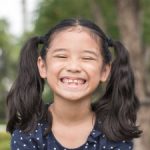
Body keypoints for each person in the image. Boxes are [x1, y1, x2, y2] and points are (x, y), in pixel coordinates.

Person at [6, 18, 142, 150]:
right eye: (61, 56)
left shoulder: (115, 133)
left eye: (87, 58)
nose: (74, 67)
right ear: (42, 66)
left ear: (104, 71)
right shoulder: (28, 132)